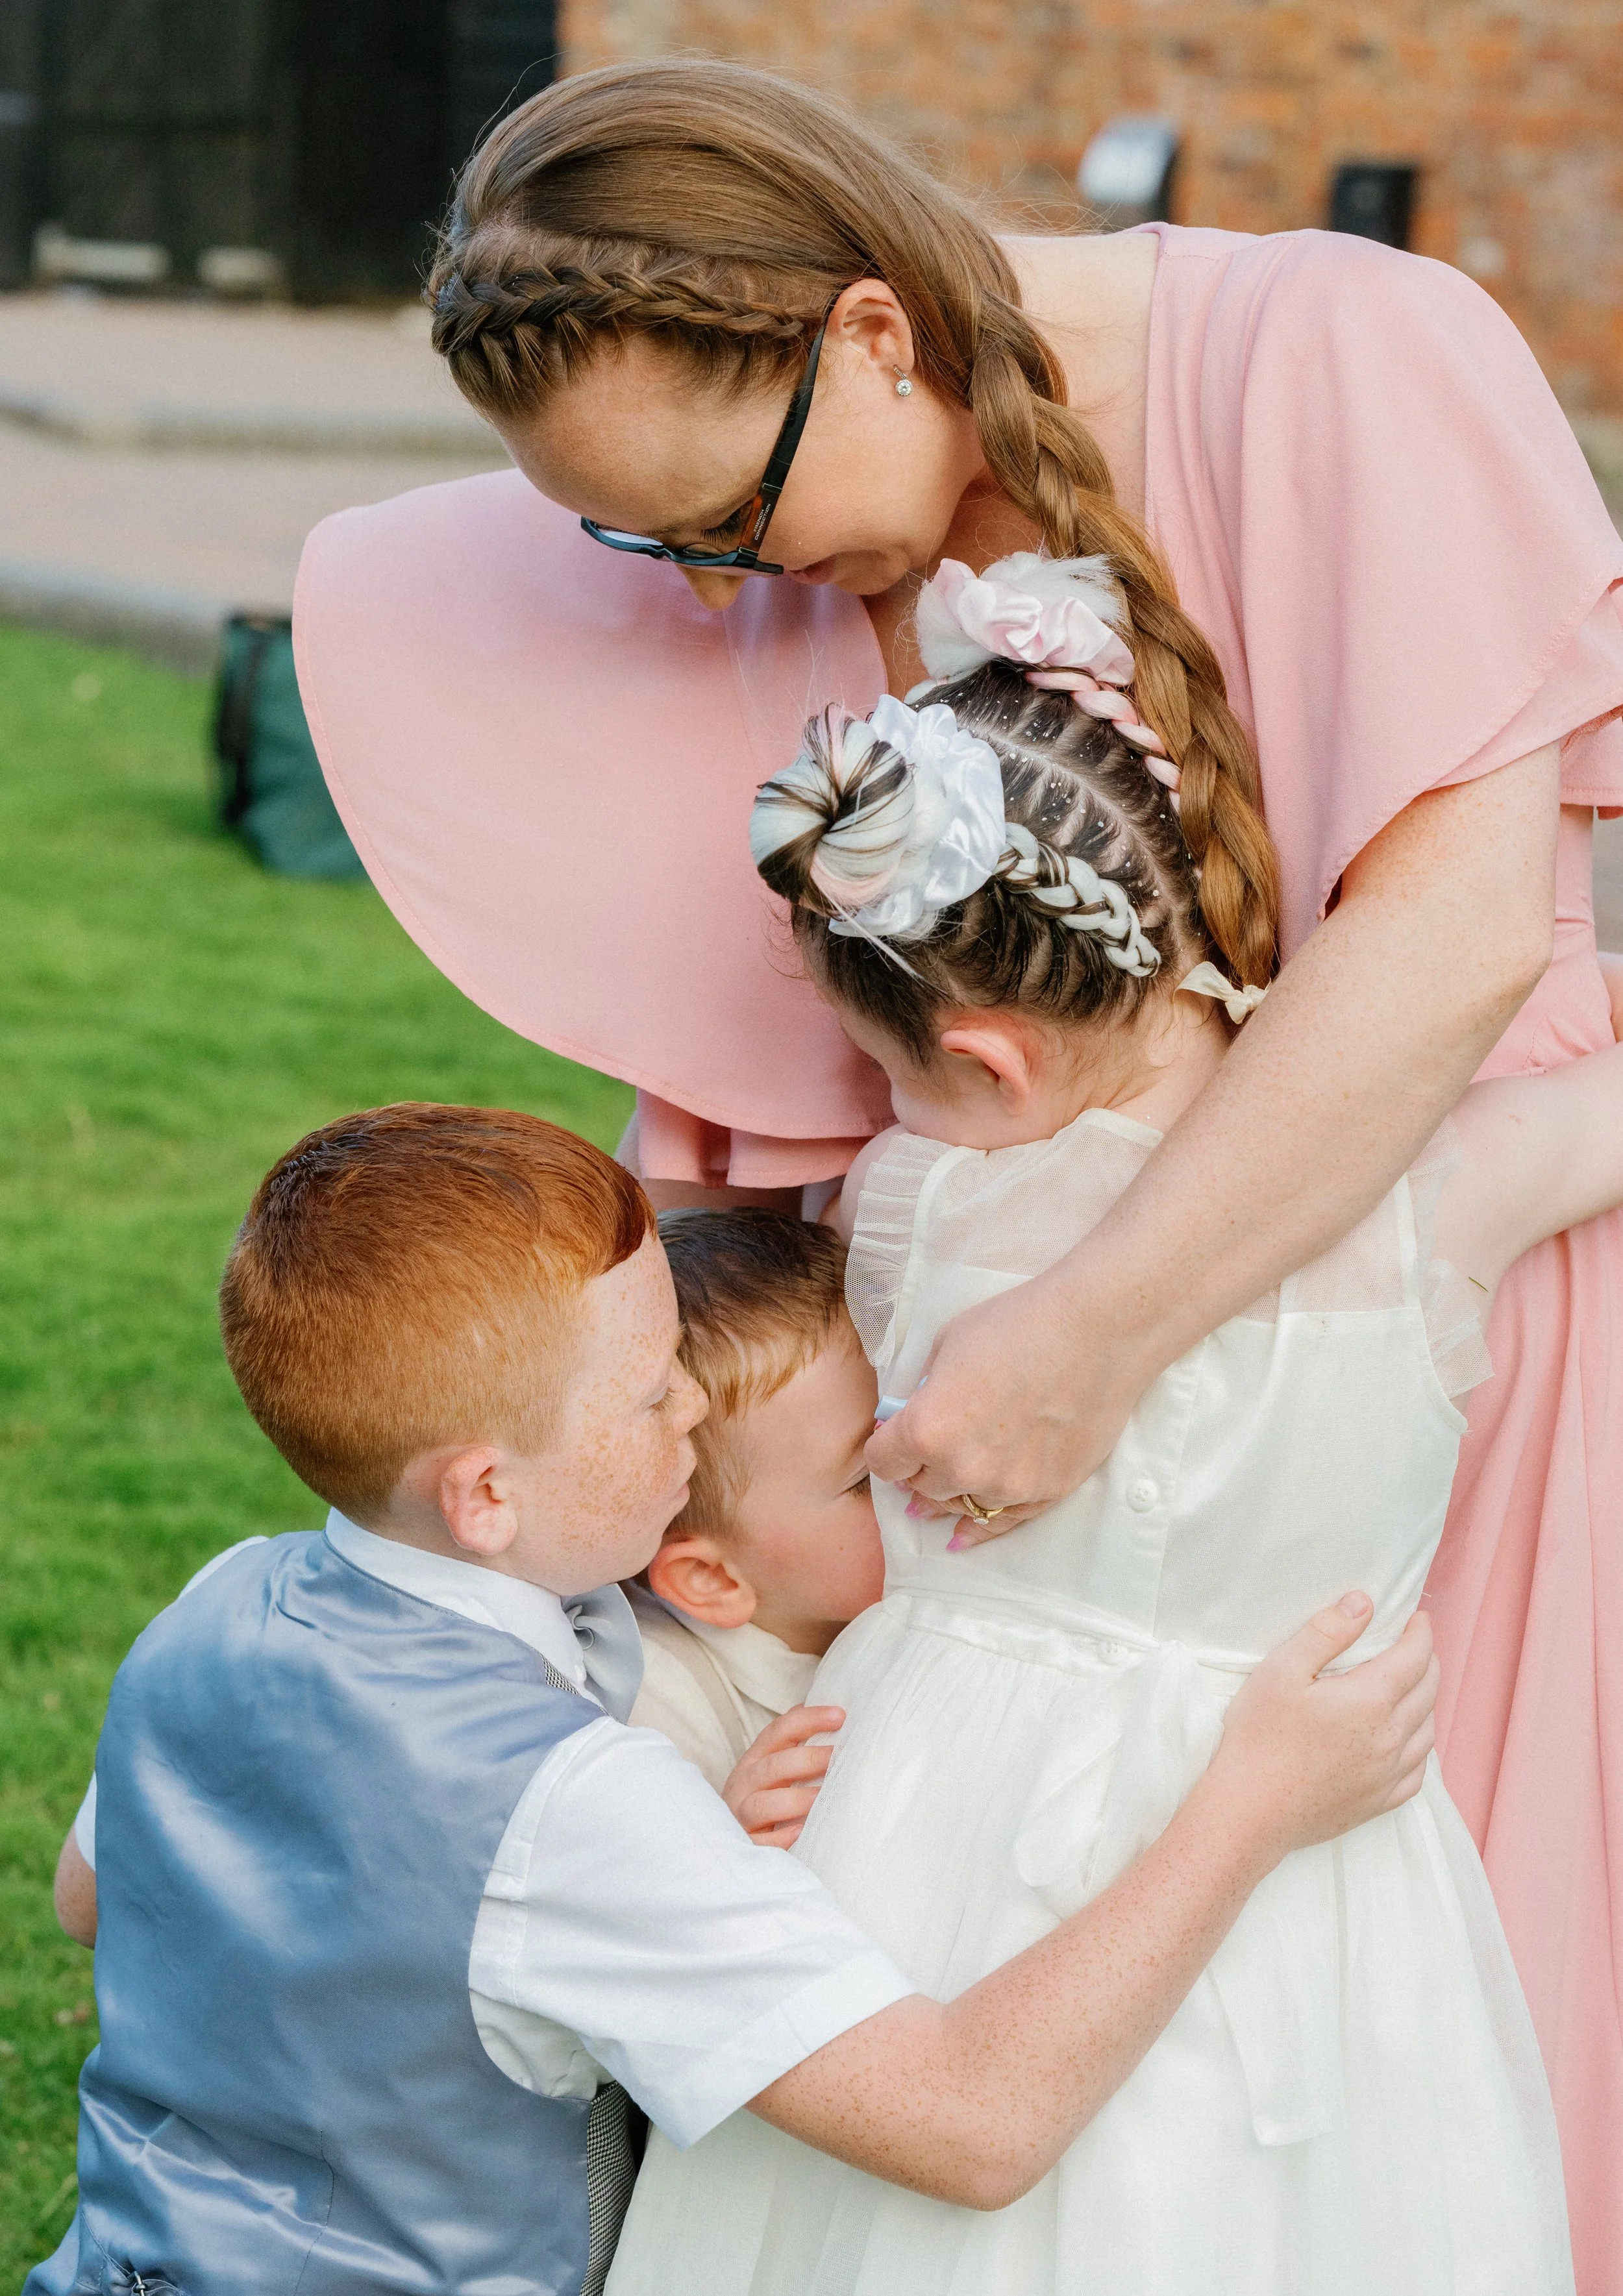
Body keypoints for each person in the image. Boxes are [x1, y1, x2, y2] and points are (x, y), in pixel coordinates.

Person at [290, 61, 1623, 2280]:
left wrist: (1091, 1332)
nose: (730, 584)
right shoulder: (834, 545)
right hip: (967, 1465)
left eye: (731, 510)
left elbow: (1460, 928)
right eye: (655, 544)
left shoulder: (1346, 363)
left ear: (871, 334)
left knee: (1406, 1969)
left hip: (1383, 1325)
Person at [610, 554, 1623, 2293]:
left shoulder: (904, 1210)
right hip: (1310, 1820)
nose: (888, 1116)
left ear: (986, 1062)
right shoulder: (1431, 1194)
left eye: (893, 1072)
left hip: (922, 1806)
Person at [35, 1104, 1435, 2296]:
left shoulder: (223, 1596)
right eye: (652, 1395)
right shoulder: (576, 1802)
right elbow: (974, 2121)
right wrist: (1250, 1806)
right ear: (483, 1494)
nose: (694, 1415)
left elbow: (92, 1899)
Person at [627, 1211, 883, 1838]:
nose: (921, 1475)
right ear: (712, 1579)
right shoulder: (652, 1706)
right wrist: (726, 1843)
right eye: (865, 1481)